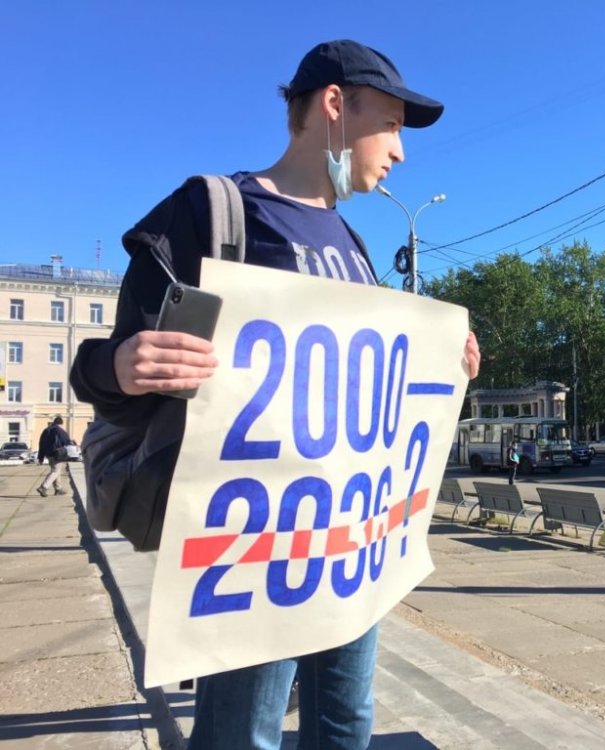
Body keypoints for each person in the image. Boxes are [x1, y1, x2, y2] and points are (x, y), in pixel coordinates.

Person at [69, 39, 480, 750]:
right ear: (334, 105)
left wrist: (446, 366)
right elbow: (106, 371)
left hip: (347, 540)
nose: (400, 151)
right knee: (243, 734)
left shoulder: (354, 247)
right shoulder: (216, 213)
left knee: (346, 724)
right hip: (252, 544)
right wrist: (125, 366)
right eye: (390, 124)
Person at [37, 416, 71, 497]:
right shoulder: (59, 430)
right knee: (55, 471)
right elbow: (66, 440)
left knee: (56, 470)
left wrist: (41, 457)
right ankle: (43, 487)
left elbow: (41, 444)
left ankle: (58, 489)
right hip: (57, 453)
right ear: (61, 423)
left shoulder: (46, 430)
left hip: (48, 454)